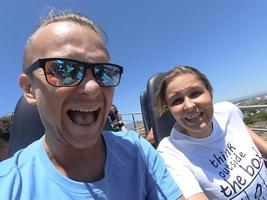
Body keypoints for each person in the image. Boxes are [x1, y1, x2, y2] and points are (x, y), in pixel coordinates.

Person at [0, 11, 184, 200]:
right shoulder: (8, 185)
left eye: (103, 72)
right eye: (64, 69)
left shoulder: (138, 151)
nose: (93, 87)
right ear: (30, 89)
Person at [155, 66, 267, 199]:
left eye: (195, 93)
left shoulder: (228, 112)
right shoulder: (170, 152)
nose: (189, 105)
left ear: (210, 93)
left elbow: (260, 146)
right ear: (170, 110)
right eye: (177, 101)